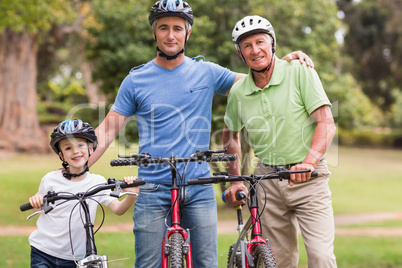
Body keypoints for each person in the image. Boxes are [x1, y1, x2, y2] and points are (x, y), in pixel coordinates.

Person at [88, 1, 313, 267]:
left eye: (177, 28)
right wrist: (73, 171)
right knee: (147, 263)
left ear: (187, 33)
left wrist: (285, 64)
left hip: (198, 186)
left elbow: (257, 80)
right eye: (163, 28)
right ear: (154, 33)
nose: (170, 35)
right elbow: (107, 131)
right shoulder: (136, 80)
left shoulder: (206, 72)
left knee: (206, 263)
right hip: (151, 187)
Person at [223, 15, 337, 268]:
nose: (255, 50)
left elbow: (326, 122)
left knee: (321, 257)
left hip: (309, 178)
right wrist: (236, 179)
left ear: (272, 44)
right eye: (247, 46)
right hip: (267, 182)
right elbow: (230, 136)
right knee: (279, 261)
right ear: (240, 54)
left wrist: (308, 163)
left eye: (260, 42)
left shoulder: (299, 71)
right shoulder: (239, 92)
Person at [28, 119, 139, 268]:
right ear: (61, 156)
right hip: (43, 251)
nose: (75, 151)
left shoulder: (97, 182)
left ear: (91, 149)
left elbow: (118, 209)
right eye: (68, 148)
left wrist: (132, 194)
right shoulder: (50, 179)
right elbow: (39, 208)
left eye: (80, 145)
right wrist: (36, 201)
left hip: (74, 258)